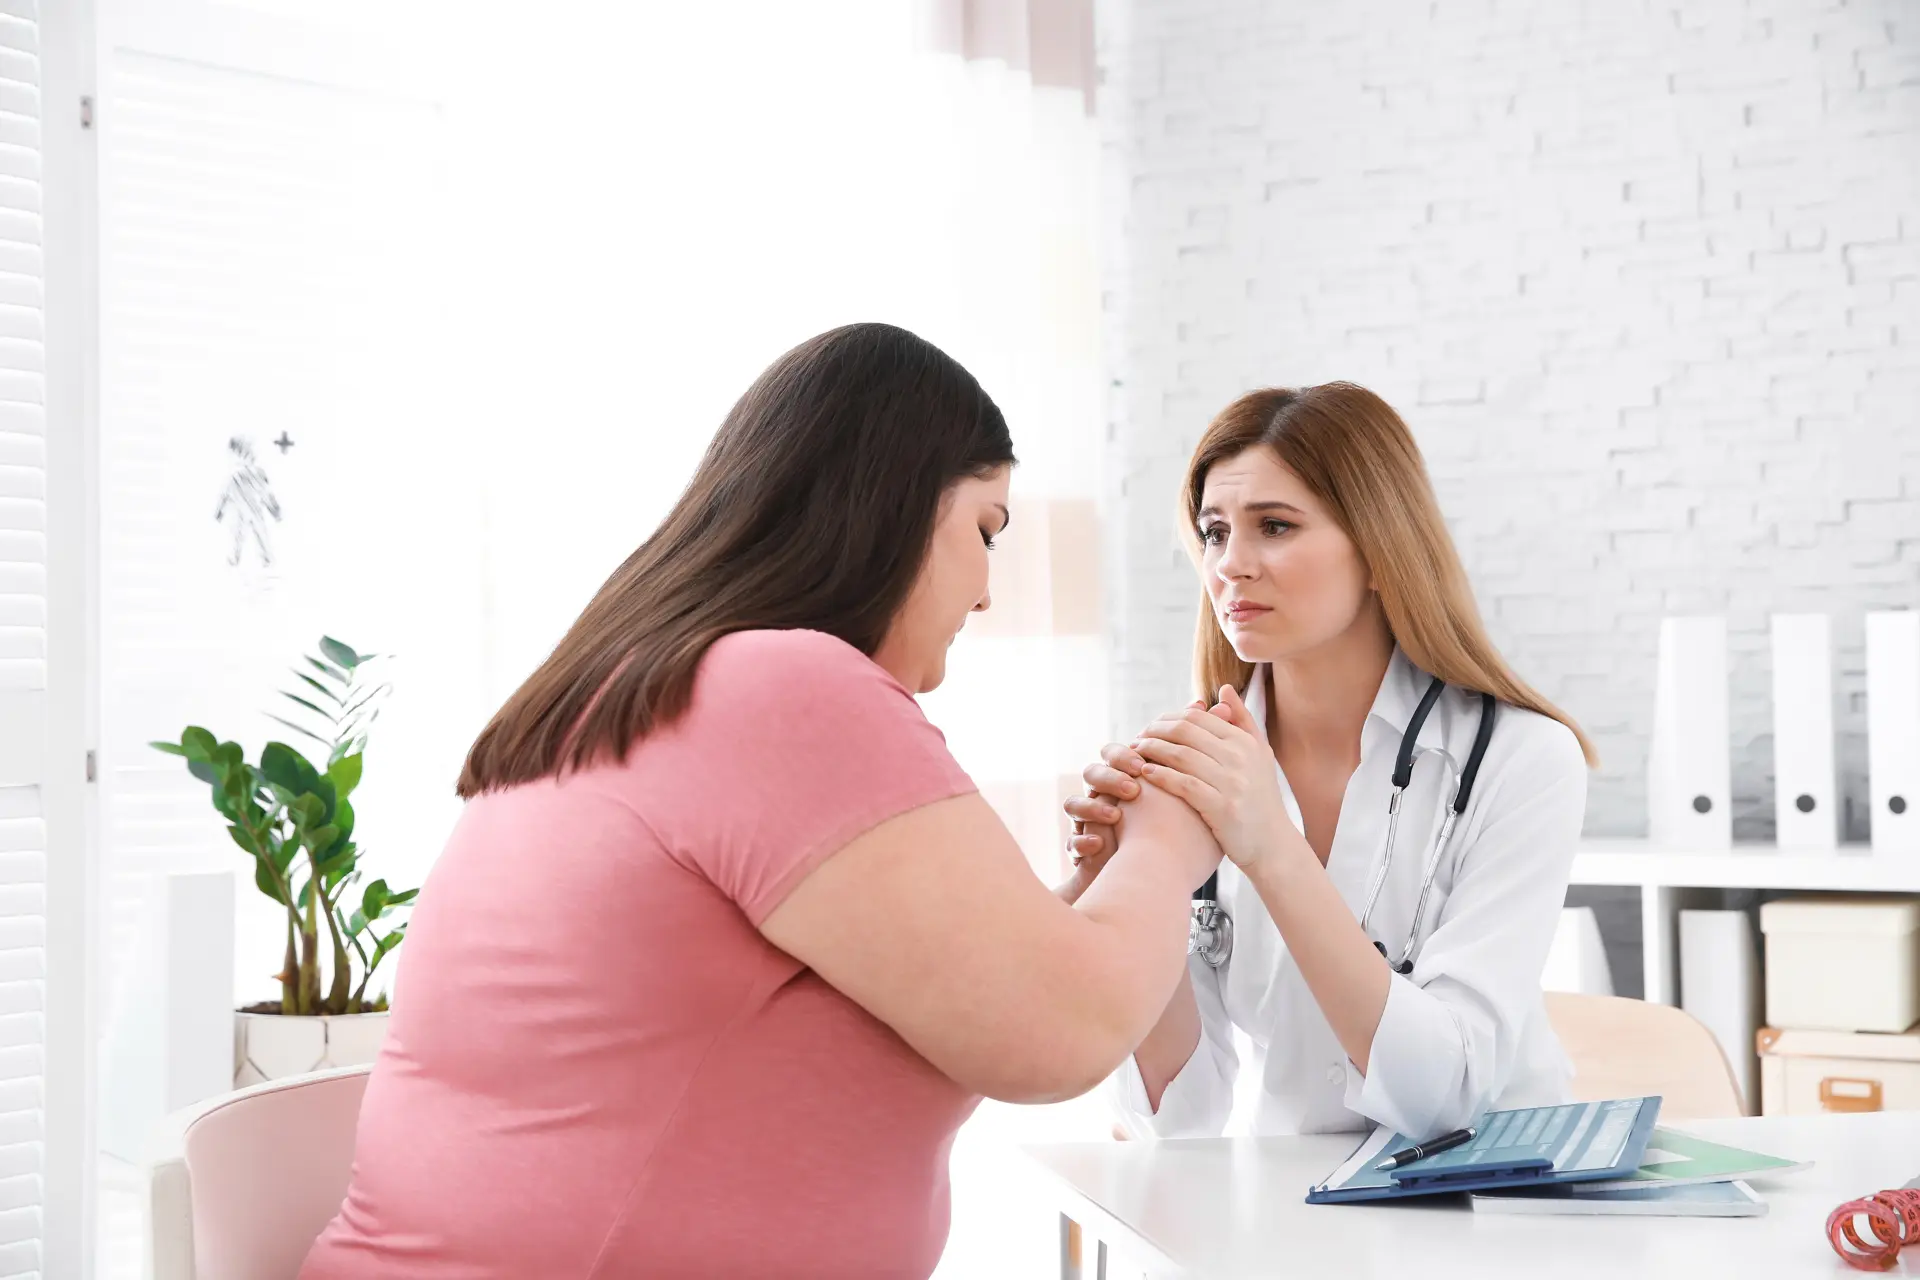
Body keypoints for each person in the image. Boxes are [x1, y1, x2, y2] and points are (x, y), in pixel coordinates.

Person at [301, 323, 1220, 1280]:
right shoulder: (781, 688)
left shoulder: (628, 692)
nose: (988, 593)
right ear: (896, 502)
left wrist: (1092, 901)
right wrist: (1176, 833)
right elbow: (1057, 1034)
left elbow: (946, 1000)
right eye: (985, 529)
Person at [1064, 382, 1595, 1142]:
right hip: (1296, 1212)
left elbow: (1446, 1100)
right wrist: (1135, 891)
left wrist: (1271, 846)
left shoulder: (1521, 758)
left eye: (1274, 526)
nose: (1230, 566)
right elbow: (1182, 1119)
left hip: (1496, 1204)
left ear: (1381, 550)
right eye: (1214, 532)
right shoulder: (1192, 768)